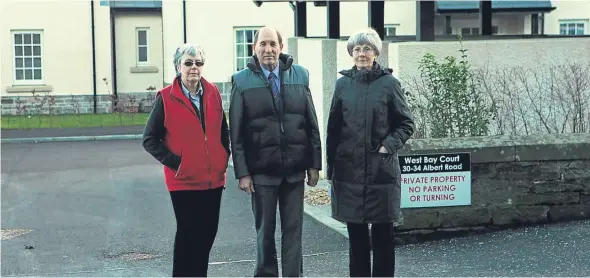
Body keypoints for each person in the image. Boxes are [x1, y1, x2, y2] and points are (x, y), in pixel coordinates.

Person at [229, 26, 322, 277]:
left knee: (294, 231)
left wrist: (314, 165)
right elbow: (236, 132)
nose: (268, 49)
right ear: (254, 48)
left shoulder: (300, 75)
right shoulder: (241, 81)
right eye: (263, 44)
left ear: (281, 48)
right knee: (265, 232)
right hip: (261, 173)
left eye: (273, 44)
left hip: (294, 172)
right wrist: (243, 173)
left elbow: (311, 123)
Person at [325, 28, 415, 277]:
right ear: (351, 53)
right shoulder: (342, 85)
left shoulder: (389, 84)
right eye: (357, 49)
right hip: (349, 172)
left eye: (367, 49)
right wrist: (330, 168)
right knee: (356, 239)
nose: (361, 54)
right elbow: (333, 130)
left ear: (376, 52)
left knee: (383, 237)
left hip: (381, 172)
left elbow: (406, 124)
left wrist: (388, 145)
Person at [142, 43, 230, 277]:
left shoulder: (213, 92)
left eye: (198, 63)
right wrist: (177, 163)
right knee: (188, 235)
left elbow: (223, 131)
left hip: (213, 180)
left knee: (207, 235)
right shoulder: (165, 98)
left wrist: (223, 157)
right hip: (183, 181)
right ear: (178, 66)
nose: (194, 68)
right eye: (188, 63)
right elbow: (149, 139)